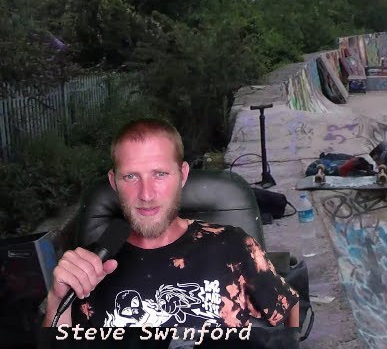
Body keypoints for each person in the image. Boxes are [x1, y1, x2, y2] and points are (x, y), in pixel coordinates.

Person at [46, 118, 301, 330]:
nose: (146, 194)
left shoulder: (233, 245)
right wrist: (57, 301)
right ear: (114, 183)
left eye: (160, 174)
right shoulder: (88, 267)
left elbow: (289, 311)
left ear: (183, 175)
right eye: (131, 176)